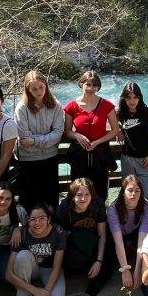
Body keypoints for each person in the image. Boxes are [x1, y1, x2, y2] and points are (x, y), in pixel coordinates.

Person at [64, 71, 120, 201]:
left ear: (98, 87)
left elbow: (115, 130)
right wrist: (77, 135)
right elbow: (67, 131)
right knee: (78, 190)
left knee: (100, 191)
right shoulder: (71, 106)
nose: (91, 88)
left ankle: (99, 219)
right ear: (81, 84)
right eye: (88, 84)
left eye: (95, 85)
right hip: (79, 156)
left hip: (100, 155)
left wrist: (97, 142)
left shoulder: (106, 105)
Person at [14, 71, 65, 212]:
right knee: (29, 198)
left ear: (46, 86)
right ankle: (29, 229)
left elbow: (58, 133)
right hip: (27, 159)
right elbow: (24, 137)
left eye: (41, 87)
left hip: (50, 157)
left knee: (50, 198)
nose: (38, 91)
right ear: (28, 89)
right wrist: (46, 140)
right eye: (34, 89)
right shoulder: (22, 108)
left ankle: (52, 229)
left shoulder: (56, 105)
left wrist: (35, 142)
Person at [7, 205, 67, 296]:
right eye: (33, 219)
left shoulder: (58, 232)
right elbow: (8, 275)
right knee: (22, 256)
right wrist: (36, 292)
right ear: (28, 221)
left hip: (50, 270)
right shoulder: (22, 233)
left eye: (42, 218)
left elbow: (57, 268)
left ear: (49, 219)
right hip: (32, 268)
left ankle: (39, 284)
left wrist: (45, 294)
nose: (37, 223)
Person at [55, 177, 110, 296]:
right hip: (72, 240)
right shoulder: (64, 208)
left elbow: (102, 234)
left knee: (107, 258)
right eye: (79, 195)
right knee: (74, 263)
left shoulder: (98, 204)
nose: (83, 198)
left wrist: (99, 261)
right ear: (72, 196)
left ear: (92, 195)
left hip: (94, 239)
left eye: (87, 194)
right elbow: (58, 235)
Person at [108, 175, 148, 291]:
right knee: (111, 257)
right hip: (119, 235)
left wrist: (137, 270)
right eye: (130, 190)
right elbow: (118, 241)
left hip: (136, 233)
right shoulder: (113, 208)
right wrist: (125, 269)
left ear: (141, 193)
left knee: (147, 246)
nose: (133, 194)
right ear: (123, 192)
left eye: (137, 191)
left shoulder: (147, 207)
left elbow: (142, 241)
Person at [116, 82, 148, 204]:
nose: (132, 101)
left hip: (146, 160)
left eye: (135, 97)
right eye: (128, 97)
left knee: (145, 195)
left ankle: (146, 221)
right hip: (128, 159)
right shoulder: (120, 113)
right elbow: (112, 121)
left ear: (140, 97)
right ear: (123, 98)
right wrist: (118, 130)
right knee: (129, 195)